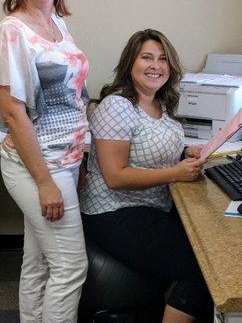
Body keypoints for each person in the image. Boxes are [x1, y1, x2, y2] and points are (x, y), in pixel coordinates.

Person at [0, 0, 89, 323]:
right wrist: (46, 181)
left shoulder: (57, 23)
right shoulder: (13, 31)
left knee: (40, 261)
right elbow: (13, 113)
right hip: (39, 165)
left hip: (64, 160)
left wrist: (77, 156)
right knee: (70, 267)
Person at [79, 29, 212, 323]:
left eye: (163, 59)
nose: (156, 65)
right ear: (130, 63)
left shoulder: (159, 104)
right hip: (113, 212)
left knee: (211, 244)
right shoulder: (118, 106)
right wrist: (175, 173)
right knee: (201, 269)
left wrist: (185, 152)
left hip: (151, 207)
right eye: (147, 58)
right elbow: (116, 176)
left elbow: (151, 149)